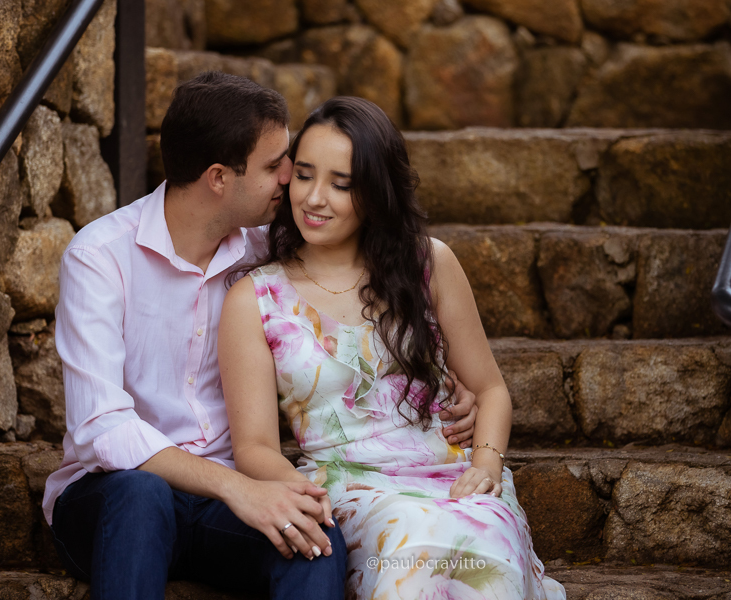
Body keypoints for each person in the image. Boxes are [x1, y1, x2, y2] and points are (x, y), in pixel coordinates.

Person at [41, 73, 477, 600]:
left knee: (317, 540)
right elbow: (102, 429)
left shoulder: (269, 249)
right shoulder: (100, 257)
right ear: (219, 178)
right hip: (112, 500)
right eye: (276, 165)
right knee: (141, 495)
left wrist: (437, 377)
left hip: (226, 506)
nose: (290, 178)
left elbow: (363, 270)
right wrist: (238, 487)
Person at [219, 96, 566, 599]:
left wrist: (487, 465)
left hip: (450, 473)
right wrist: (310, 499)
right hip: (344, 488)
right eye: (304, 175)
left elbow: (490, 389)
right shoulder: (255, 298)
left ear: (376, 193)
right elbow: (252, 448)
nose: (315, 198)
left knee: (483, 538)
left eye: (341, 184)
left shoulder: (429, 264)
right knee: (410, 534)